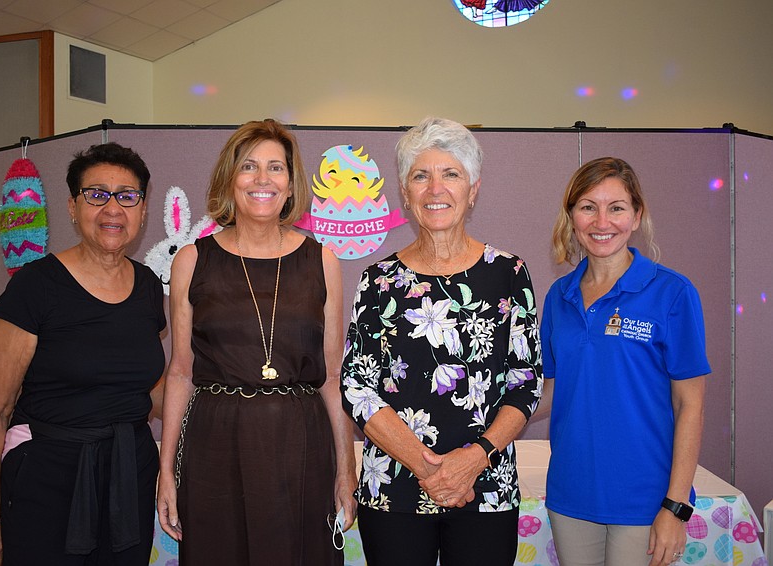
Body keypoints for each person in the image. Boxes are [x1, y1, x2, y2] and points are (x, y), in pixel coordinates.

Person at [340, 117, 543, 565]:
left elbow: (526, 383)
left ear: (473, 190)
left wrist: (474, 460)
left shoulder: (509, 274)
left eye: (451, 174)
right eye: (421, 175)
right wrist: (427, 467)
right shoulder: (378, 281)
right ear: (405, 192)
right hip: (393, 486)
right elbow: (356, 387)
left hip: (486, 485)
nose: (436, 189)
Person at [156, 119, 357, 565]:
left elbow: (331, 377)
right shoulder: (192, 259)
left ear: (290, 185)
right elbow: (181, 370)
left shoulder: (321, 259)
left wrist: (346, 468)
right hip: (214, 446)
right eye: (249, 167)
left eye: (276, 168)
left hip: (299, 446)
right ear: (231, 178)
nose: (262, 179)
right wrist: (166, 471)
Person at [0, 143, 166, 566]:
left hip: (129, 471)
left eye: (127, 195)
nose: (112, 208)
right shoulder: (35, 287)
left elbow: (152, 385)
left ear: (143, 210)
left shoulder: (150, 287)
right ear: (73, 208)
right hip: (46, 475)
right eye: (96, 194)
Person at [539, 157, 709, 566]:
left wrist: (675, 506)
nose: (602, 221)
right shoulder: (558, 297)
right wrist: (483, 421)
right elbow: (551, 391)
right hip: (571, 494)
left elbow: (692, 405)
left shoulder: (672, 293)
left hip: (645, 500)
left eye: (616, 207)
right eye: (587, 207)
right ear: (572, 217)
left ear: (636, 216)